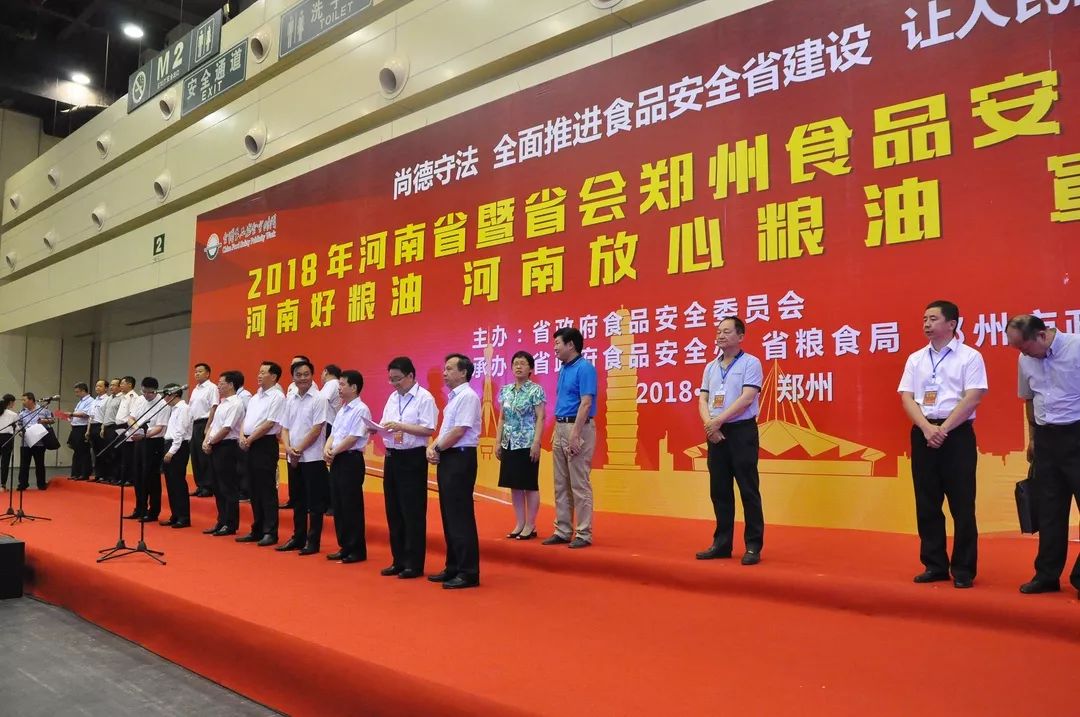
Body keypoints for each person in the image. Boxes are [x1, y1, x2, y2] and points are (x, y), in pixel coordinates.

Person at [898, 300, 987, 589]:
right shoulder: (916, 359)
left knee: (962, 504)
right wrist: (927, 428)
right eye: (924, 319)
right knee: (927, 502)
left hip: (956, 434)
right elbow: (906, 397)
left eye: (933, 319)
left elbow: (973, 396)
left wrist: (943, 429)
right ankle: (934, 565)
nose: (926, 324)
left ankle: (963, 569)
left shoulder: (970, 357)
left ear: (952, 324)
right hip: (923, 433)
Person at [1007, 314, 1080, 598]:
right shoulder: (1025, 359)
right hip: (1047, 439)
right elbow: (1029, 398)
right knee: (1049, 510)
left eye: (1025, 347)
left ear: (1041, 335)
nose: (1023, 354)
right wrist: (1033, 438)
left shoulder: (1075, 347)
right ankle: (1047, 575)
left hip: (1077, 432)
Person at [695, 316, 765, 566]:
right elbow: (703, 399)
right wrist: (710, 425)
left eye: (726, 331)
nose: (720, 336)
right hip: (716, 433)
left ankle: (753, 545)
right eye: (718, 332)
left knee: (748, 489)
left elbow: (747, 398)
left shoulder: (751, 363)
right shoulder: (711, 367)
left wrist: (718, 421)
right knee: (719, 491)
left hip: (741, 432)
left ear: (740, 336)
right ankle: (722, 543)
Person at [427, 354, 483, 589]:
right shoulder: (453, 398)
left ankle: (468, 572)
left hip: (460, 457)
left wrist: (437, 447)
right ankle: (453, 566)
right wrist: (435, 447)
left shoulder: (468, 396)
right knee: (449, 515)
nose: (445, 372)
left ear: (463, 372)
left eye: (449, 369)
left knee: (460, 515)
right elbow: (446, 430)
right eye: (445, 368)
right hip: (449, 457)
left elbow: (460, 430)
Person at [379, 356, 437, 579]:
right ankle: (398, 560)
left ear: (411, 375)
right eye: (391, 379)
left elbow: (428, 429)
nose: (394, 383)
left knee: (412, 511)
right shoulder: (393, 398)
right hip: (392, 456)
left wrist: (401, 426)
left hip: (413, 458)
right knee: (393, 510)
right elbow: (385, 423)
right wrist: (378, 428)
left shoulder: (425, 398)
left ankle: (413, 564)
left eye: (398, 379)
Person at [543, 326, 597, 549]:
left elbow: (586, 403)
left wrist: (574, 434)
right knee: (560, 483)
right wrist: (557, 429)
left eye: (557, 343)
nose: (554, 348)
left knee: (579, 483)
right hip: (561, 426)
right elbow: (563, 401)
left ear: (571, 345)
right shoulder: (564, 369)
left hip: (579, 427)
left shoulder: (585, 368)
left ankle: (583, 533)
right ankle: (563, 530)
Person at [278, 360, 331, 555]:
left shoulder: (319, 399)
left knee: (315, 502)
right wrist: (288, 448)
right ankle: (297, 537)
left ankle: (313, 541)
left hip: (313, 458)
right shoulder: (290, 399)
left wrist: (298, 449)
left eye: (306, 374)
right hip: (293, 457)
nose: (302, 378)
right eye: (298, 375)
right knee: (298, 499)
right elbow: (284, 427)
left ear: (312, 375)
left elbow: (317, 429)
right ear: (293, 377)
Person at [495, 351, 546, 540]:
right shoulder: (506, 390)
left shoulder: (535, 390)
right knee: (514, 485)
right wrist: (498, 441)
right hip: (509, 442)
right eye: (515, 363)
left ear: (530, 368)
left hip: (527, 443)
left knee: (529, 484)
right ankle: (520, 523)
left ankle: (531, 525)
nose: (518, 367)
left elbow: (541, 417)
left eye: (523, 363)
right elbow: (502, 418)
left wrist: (536, 442)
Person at [324, 369, 372, 563]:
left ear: (354, 387)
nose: (339, 389)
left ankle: (356, 550)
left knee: (351, 505)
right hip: (338, 459)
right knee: (339, 504)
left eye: (342, 385)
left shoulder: (361, 409)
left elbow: (353, 437)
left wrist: (334, 451)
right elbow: (334, 434)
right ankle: (344, 546)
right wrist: (327, 448)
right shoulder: (342, 409)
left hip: (351, 459)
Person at [237, 361, 285, 547]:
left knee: (266, 489)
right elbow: (246, 419)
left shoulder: (277, 397)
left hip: (264, 444)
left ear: (273, 376)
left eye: (263, 372)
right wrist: (242, 435)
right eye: (259, 372)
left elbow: (270, 423)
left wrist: (250, 439)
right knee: (253, 488)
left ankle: (270, 532)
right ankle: (257, 529)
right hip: (249, 443)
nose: (259, 375)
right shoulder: (255, 397)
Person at [201, 370, 246, 536]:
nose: (218, 386)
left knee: (228, 486)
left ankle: (230, 524)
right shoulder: (222, 403)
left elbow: (227, 428)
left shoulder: (236, 403)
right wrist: (206, 441)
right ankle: (221, 521)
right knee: (217, 486)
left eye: (221, 383)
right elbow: (213, 425)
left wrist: (211, 442)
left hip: (227, 447)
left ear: (231, 385)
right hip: (215, 445)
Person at [123, 377, 161, 521]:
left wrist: (144, 434)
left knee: (150, 477)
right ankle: (140, 508)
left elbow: (160, 427)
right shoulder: (139, 400)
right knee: (138, 475)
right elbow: (131, 418)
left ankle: (153, 511)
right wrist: (136, 428)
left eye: (148, 392)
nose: (145, 395)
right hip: (138, 439)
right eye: (143, 391)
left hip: (154, 441)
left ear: (155, 390)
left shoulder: (162, 403)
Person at [160, 384, 193, 528]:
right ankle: (175, 514)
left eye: (166, 395)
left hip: (178, 447)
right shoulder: (173, 409)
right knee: (170, 483)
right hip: (169, 444)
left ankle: (183, 517)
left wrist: (172, 451)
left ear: (173, 395)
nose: (164, 398)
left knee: (178, 482)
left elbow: (180, 432)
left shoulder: (183, 408)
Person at [189, 362, 219, 498]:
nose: (197, 374)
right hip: (194, 424)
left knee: (204, 456)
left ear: (207, 374)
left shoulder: (212, 388)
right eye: (195, 371)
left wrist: (208, 426)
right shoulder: (195, 389)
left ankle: (208, 486)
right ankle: (200, 485)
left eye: (200, 371)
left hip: (204, 423)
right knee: (195, 456)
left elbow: (214, 407)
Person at [17, 392, 54, 491]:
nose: (23, 402)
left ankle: (41, 484)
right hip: (26, 442)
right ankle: (23, 484)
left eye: (24, 400)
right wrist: (20, 432)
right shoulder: (22, 413)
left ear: (31, 400)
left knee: (39, 464)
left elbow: (52, 420)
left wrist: (44, 421)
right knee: (24, 465)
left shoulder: (43, 410)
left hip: (40, 442)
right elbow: (18, 424)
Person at [66, 382, 95, 481]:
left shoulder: (90, 401)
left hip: (83, 427)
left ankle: (84, 473)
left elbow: (86, 414)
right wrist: (71, 417)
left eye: (77, 392)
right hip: (76, 427)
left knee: (83, 451)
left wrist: (72, 414)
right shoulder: (80, 401)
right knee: (76, 450)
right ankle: (75, 473)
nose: (76, 394)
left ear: (83, 391)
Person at [98, 379, 123, 484]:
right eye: (111, 385)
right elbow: (105, 414)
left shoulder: (122, 398)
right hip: (106, 427)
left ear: (119, 387)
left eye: (114, 385)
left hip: (115, 427)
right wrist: (103, 427)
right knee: (107, 453)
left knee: (114, 453)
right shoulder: (109, 398)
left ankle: (115, 477)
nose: (111, 387)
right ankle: (107, 476)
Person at [87, 379, 109, 482]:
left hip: (101, 426)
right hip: (93, 426)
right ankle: (97, 474)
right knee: (95, 452)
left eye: (100, 386)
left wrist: (103, 428)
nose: (97, 388)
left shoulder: (107, 400)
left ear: (106, 388)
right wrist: (88, 430)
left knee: (102, 451)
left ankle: (104, 475)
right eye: (96, 386)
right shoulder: (94, 400)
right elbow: (90, 416)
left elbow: (106, 416)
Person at [1, 394, 19, 491]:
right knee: (5, 462)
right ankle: (2, 485)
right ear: (10, 402)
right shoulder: (13, 414)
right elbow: (17, 428)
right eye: (14, 402)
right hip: (6, 438)